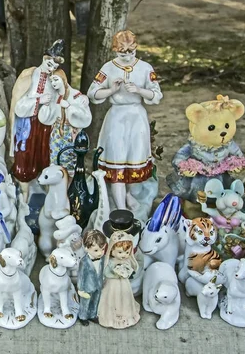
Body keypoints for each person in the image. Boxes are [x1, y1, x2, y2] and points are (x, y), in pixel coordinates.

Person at [87, 30, 163, 210]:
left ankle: (130, 195)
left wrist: (139, 90)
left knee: (134, 157)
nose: (127, 56)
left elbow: (157, 94)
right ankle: (120, 209)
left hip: (136, 117)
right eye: (123, 53)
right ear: (115, 51)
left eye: (131, 52)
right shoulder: (108, 68)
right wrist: (111, 90)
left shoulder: (145, 68)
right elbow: (93, 92)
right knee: (116, 159)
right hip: (117, 118)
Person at [9, 39, 65, 198]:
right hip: (27, 124)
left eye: (55, 66)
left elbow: (60, 99)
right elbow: (18, 106)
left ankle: (46, 193)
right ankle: (24, 195)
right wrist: (38, 101)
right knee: (25, 155)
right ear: (45, 58)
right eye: (50, 64)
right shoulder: (29, 75)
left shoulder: (54, 79)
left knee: (45, 155)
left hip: (46, 125)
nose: (52, 69)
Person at [47, 70, 92, 175]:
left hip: (70, 133)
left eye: (56, 79)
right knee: (55, 161)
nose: (53, 83)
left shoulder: (76, 95)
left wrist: (69, 107)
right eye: (51, 80)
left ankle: (69, 187)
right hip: (56, 132)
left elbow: (86, 116)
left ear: (63, 79)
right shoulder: (53, 96)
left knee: (69, 162)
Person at [98, 231, 140, 329]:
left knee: (124, 298)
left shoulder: (126, 260)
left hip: (124, 284)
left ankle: (126, 316)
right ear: (112, 250)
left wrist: (127, 271)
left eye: (127, 252)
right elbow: (105, 272)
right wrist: (115, 273)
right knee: (113, 298)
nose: (124, 255)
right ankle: (112, 316)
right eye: (120, 252)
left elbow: (133, 268)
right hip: (112, 284)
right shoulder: (110, 261)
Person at [77, 230, 107, 326]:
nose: (100, 253)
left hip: (98, 284)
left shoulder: (102, 258)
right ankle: (83, 316)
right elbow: (81, 276)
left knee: (96, 301)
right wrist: (80, 289)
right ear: (86, 248)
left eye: (102, 249)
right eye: (96, 250)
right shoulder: (84, 261)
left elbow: (102, 270)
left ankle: (92, 315)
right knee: (85, 303)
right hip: (87, 286)